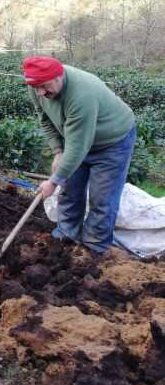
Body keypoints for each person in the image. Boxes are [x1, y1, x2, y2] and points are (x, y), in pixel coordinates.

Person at [24, 56, 136, 254]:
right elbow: (45, 120)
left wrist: (52, 182)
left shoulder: (82, 94)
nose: (40, 92)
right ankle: (66, 239)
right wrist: (58, 151)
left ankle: (94, 248)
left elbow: (77, 148)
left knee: (102, 199)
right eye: (35, 87)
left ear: (59, 77)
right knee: (69, 191)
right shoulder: (37, 86)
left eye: (44, 86)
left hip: (112, 143)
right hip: (76, 139)